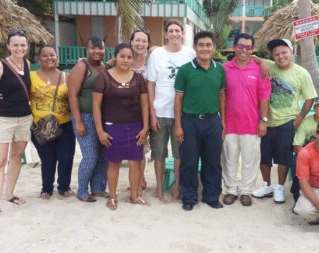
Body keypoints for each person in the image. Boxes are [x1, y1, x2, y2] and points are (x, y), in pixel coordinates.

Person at [252, 39, 317, 204]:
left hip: (288, 122)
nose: (280, 56)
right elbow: (251, 57)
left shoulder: (301, 73)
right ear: (272, 57)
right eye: (276, 54)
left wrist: (299, 119)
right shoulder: (269, 65)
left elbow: (310, 98)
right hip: (265, 121)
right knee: (263, 156)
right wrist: (263, 62)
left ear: (291, 52)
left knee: (283, 158)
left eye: (284, 53)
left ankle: (279, 187)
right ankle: (266, 185)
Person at [0, 29, 32, 222]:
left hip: (24, 119)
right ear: (8, 46)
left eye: (23, 45)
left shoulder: (27, 64)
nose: (19, 48)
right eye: (16, 44)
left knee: (17, 157)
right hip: (2, 119)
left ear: (27, 46)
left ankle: (9, 193)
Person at [92, 43, 149, 210]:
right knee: (114, 163)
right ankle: (112, 197)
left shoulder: (138, 79)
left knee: (135, 162)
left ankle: (135, 196)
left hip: (135, 126)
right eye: (122, 56)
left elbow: (145, 105)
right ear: (115, 57)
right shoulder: (104, 77)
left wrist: (145, 128)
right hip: (112, 127)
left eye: (129, 57)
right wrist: (100, 131)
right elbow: (96, 106)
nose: (125, 60)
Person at [174, 31, 225, 211]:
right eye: (201, 45)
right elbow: (178, 99)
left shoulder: (219, 69)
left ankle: (211, 196)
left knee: (212, 161)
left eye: (208, 45)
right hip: (190, 122)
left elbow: (221, 95)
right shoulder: (185, 70)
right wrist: (178, 126)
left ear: (214, 48)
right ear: (195, 48)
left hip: (212, 122)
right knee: (189, 161)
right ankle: (189, 197)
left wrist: (223, 121)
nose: (205, 48)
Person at [147, 19, 195, 202]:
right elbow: (150, 84)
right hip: (160, 112)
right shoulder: (157, 54)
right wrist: (152, 114)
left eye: (178, 30)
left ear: (182, 34)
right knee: (158, 153)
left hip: (181, 114)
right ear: (166, 34)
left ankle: (176, 187)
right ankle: (159, 187)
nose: (175, 34)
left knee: (179, 153)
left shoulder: (190, 53)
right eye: (171, 31)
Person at [221, 33, 271, 207]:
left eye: (248, 47)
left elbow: (264, 98)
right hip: (229, 123)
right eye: (241, 46)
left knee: (250, 160)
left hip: (252, 123)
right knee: (229, 158)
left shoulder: (260, 70)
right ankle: (231, 190)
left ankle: (246, 191)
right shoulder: (224, 69)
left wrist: (263, 121)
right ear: (234, 47)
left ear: (252, 50)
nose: (244, 50)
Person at [30, 45, 76, 199]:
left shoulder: (66, 76)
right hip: (41, 125)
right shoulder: (31, 76)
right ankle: (47, 188)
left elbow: (75, 96)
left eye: (52, 55)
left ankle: (64, 186)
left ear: (57, 57)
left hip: (64, 124)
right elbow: (18, 92)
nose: (49, 58)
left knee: (66, 157)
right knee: (47, 158)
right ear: (39, 58)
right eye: (45, 55)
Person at [68, 36, 108, 202]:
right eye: (93, 48)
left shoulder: (104, 67)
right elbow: (72, 95)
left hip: (102, 117)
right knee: (90, 156)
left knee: (103, 155)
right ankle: (82, 190)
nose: (97, 52)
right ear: (87, 49)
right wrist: (78, 121)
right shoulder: (81, 67)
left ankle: (98, 188)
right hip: (84, 117)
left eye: (100, 49)